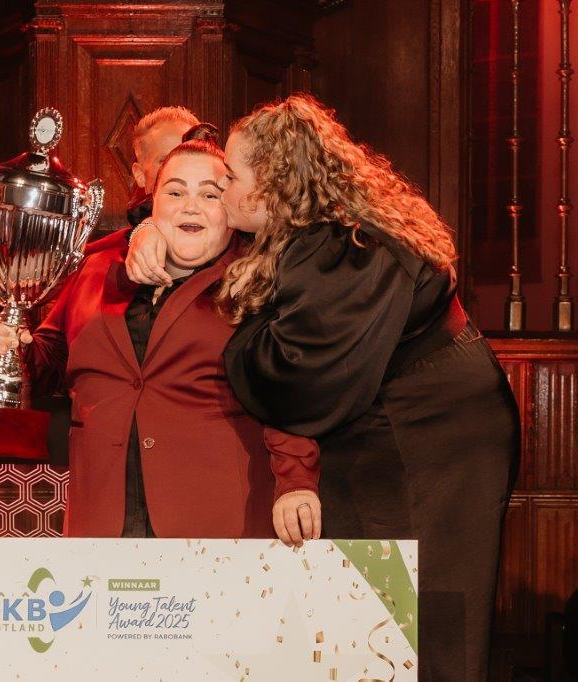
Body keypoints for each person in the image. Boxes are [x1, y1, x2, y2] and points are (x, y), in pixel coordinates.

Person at [127, 94, 519, 681]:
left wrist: (241, 336)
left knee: (428, 617)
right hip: (396, 426)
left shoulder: (344, 247)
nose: (222, 188)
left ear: (271, 186)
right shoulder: (310, 233)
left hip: (432, 440)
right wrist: (146, 230)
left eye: (231, 177)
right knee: (375, 617)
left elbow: (294, 384)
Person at [0, 136, 320, 540]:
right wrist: (14, 350)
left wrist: (296, 481)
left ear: (230, 208)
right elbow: (49, 362)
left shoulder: (254, 283)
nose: (190, 206)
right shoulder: (95, 270)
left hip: (215, 526)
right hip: (102, 522)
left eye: (209, 194)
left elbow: (284, 392)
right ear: (152, 204)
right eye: (175, 192)